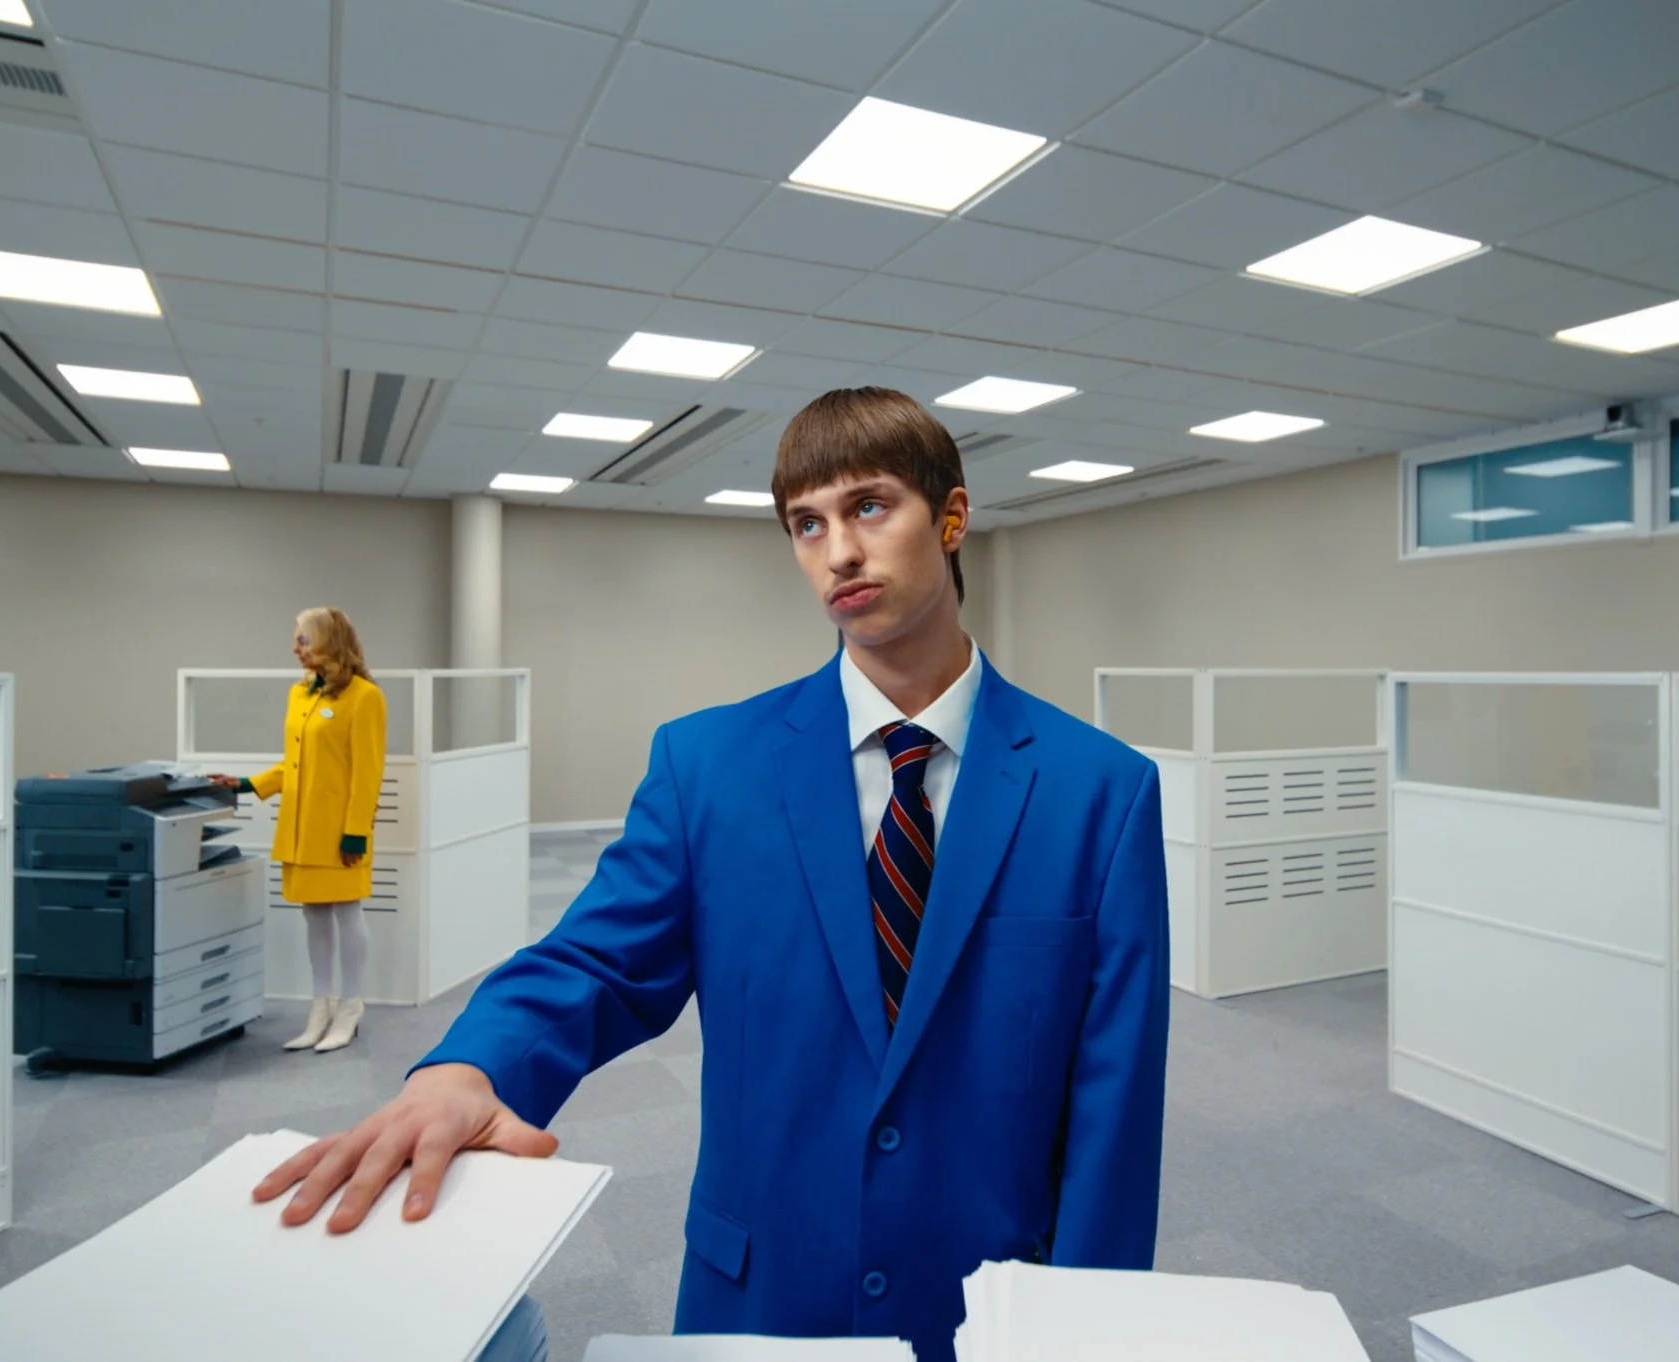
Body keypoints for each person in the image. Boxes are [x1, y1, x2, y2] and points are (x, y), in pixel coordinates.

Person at [252, 389, 1169, 1362]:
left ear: (950, 518)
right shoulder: (709, 768)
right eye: (804, 525)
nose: (837, 553)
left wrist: (1090, 1330)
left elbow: (1115, 1113)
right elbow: (596, 963)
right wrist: (468, 1067)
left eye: (868, 507)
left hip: (991, 1307)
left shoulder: (1100, 793)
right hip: (759, 1299)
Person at [211, 606, 386, 1054]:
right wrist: (250, 784)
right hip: (300, 825)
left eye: (304, 640)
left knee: (347, 911)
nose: (296, 648)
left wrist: (356, 831)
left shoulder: (364, 697)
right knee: (313, 913)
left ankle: (351, 1006)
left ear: (330, 641)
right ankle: (320, 1007)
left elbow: (368, 773)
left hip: (340, 827)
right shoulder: (301, 693)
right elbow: (294, 764)